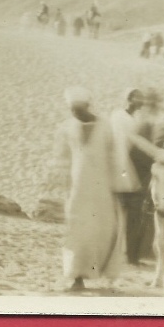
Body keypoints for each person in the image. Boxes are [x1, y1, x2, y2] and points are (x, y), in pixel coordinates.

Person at [58, 87, 123, 291]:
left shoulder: (106, 126)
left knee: (101, 230)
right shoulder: (67, 127)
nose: (75, 113)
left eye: (78, 109)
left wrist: (117, 186)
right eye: (72, 110)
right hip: (77, 188)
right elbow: (62, 158)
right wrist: (63, 184)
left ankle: (101, 274)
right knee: (77, 230)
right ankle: (77, 277)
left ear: (87, 106)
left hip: (102, 187)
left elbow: (115, 157)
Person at [110, 88, 164, 265]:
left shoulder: (140, 119)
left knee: (135, 215)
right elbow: (129, 142)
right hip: (124, 169)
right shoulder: (119, 117)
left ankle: (132, 254)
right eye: (137, 98)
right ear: (129, 99)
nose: (142, 101)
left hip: (138, 170)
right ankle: (123, 255)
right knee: (122, 215)